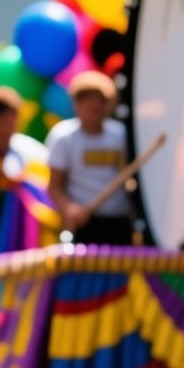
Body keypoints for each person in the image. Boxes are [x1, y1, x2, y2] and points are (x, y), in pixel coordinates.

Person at [0, 87, 59, 256]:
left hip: (23, 230)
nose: (10, 123)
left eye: (13, 117)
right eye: (4, 118)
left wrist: (20, 183)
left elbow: (43, 190)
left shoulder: (30, 151)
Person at [45, 72, 132, 245]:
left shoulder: (121, 135)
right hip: (81, 224)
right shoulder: (63, 137)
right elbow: (54, 186)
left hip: (119, 223)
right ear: (76, 103)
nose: (95, 105)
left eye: (100, 100)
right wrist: (69, 209)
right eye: (88, 99)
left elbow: (128, 176)